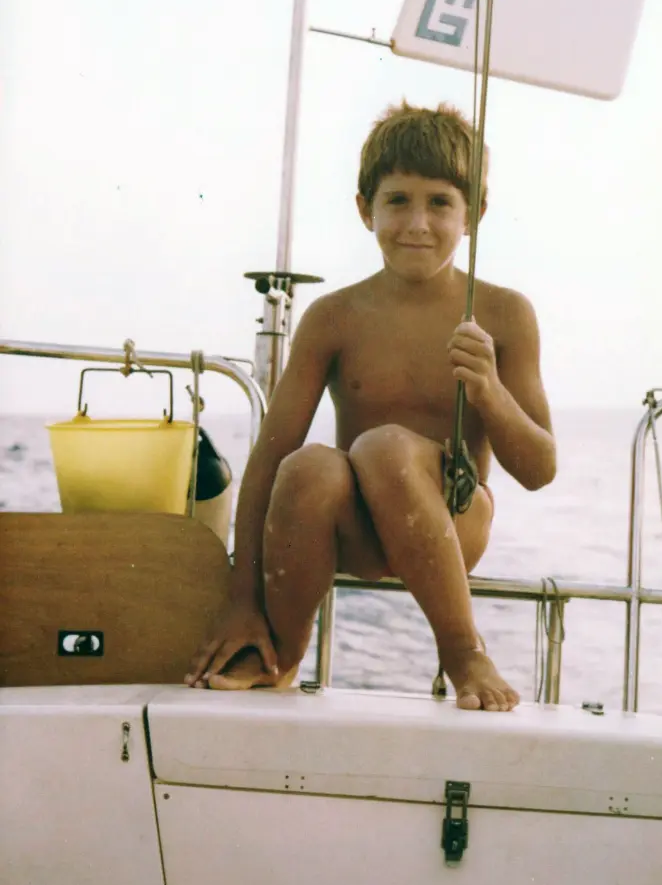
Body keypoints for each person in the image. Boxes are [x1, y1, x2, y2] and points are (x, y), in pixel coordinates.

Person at [185, 101, 556, 711]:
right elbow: (269, 461)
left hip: (455, 524)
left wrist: (489, 390)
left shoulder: (504, 313)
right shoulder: (334, 317)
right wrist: (241, 598)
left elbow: (540, 469)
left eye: (440, 203)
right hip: (357, 531)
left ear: (474, 214)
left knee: (385, 447)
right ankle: (277, 652)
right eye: (398, 200)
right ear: (366, 210)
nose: (417, 223)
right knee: (308, 466)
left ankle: (463, 649)